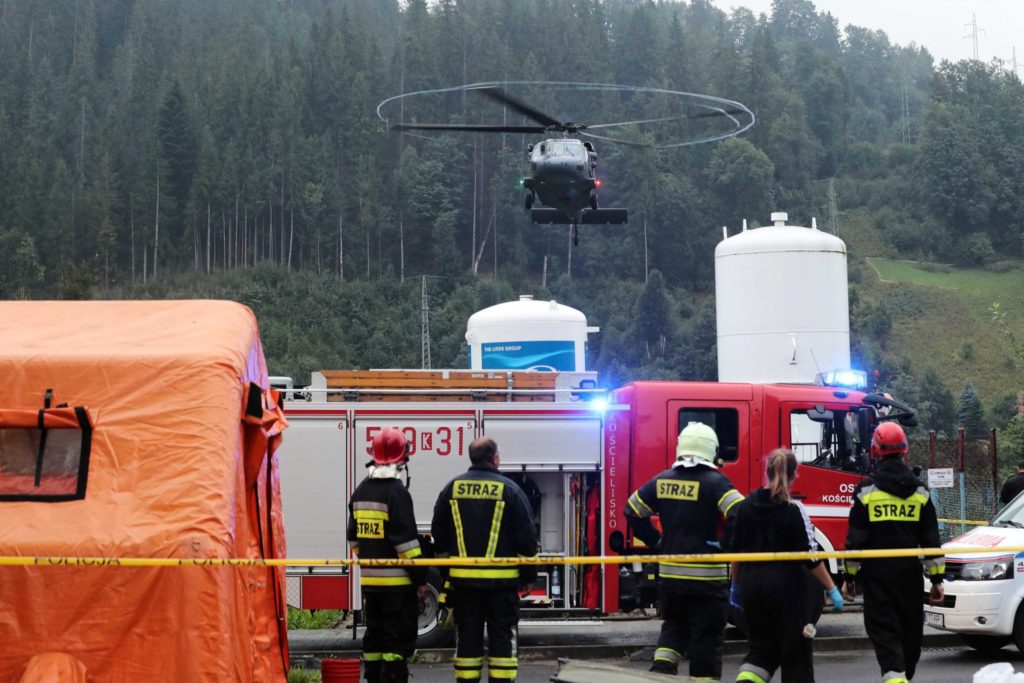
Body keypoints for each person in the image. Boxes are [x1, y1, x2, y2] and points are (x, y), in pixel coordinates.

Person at [624, 421, 744, 681]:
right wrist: (726, 545)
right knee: (706, 637)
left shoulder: (662, 480)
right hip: (708, 582)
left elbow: (632, 509)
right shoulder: (716, 483)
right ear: (711, 450)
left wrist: (657, 541)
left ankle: (661, 673)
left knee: (673, 628)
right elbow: (741, 513)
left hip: (671, 579)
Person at [725, 449, 844, 683]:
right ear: (794, 475)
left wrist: (736, 587)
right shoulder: (793, 509)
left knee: (761, 649)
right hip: (786, 590)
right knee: (796, 654)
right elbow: (809, 556)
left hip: (752, 588)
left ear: (767, 471)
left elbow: (737, 553)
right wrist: (831, 588)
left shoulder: (746, 505)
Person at [842, 422, 944, 683]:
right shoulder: (921, 492)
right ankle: (901, 675)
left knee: (884, 632)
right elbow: (931, 541)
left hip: (877, 575)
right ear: (904, 449)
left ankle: (895, 676)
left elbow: (855, 541)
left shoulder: (865, 491)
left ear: (875, 450)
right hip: (909, 575)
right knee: (910, 634)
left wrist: (849, 577)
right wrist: (937, 580)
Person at [431, 437, 539, 682]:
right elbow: (527, 538)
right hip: (502, 587)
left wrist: (447, 574)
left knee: (467, 641)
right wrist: (528, 576)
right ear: (495, 458)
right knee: (502, 641)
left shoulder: (451, 489)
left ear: (472, 457)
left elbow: (440, 535)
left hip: (464, 587)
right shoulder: (510, 490)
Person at [347, 428, 428, 683]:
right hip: (398, 586)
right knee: (396, 638)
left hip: (370, 583)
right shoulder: (397, 493)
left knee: (375, 635)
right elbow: (406, 545)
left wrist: (370, 561)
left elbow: (353, 539)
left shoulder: (360, 491)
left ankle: (373, 678)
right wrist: (420, 579)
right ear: (402, 457)